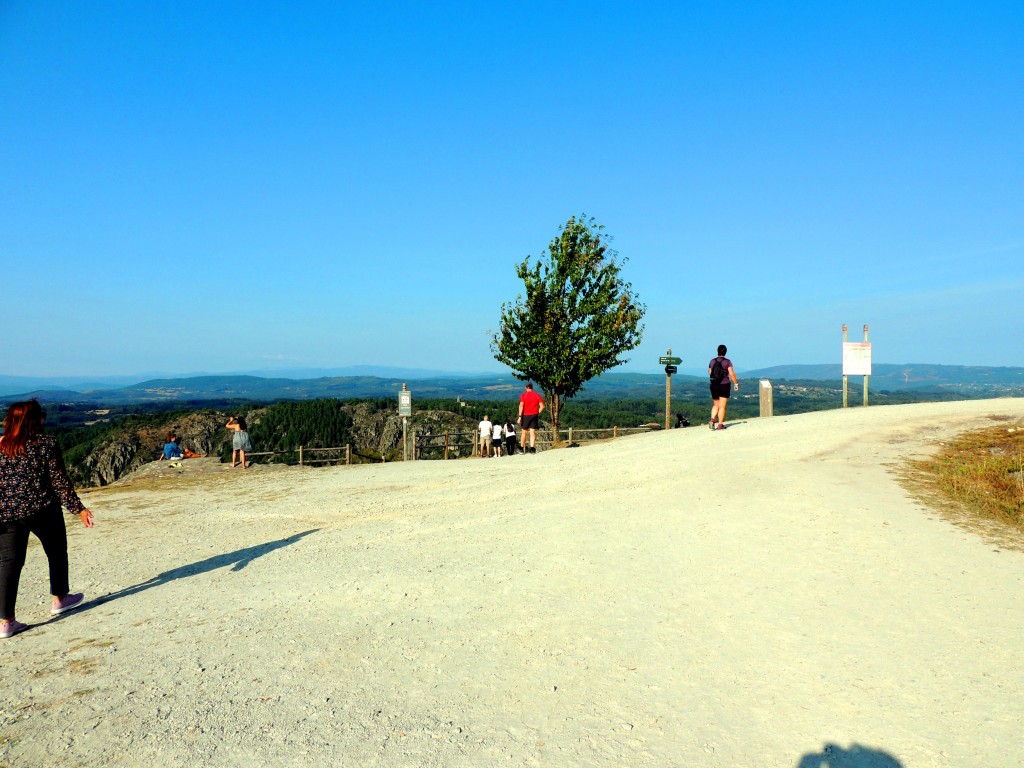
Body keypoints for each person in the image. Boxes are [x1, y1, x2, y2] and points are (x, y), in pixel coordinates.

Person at [0, 400, 94, 639]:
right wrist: (78, 508)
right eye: (40, 415)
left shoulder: (1, 445)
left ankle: (5, 622)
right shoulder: (46, 444)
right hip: (43, 508)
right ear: (33, 420)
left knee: (9, 564)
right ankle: (60, 599)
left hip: (7, 514)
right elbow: (59, 482)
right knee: (56, 550)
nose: (44, 418)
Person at [708, 344, 739, 430]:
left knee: (715, 404)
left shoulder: (712, 361)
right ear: (725, 352)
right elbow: (731, 373)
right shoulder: (727, 362)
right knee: (722, 406)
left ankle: (712, 419)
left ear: (717, 351)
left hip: (714, 385)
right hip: (724, 385)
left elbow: (710, 372)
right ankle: (720, 424)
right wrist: (736, 383)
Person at [518, 383, 545, 453]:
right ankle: (532, 448)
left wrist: (520, 416)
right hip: (534, 415)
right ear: (532, 388)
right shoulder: (537, 395)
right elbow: (542, 406)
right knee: (532, 432)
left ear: (526, 387)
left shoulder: (523, 395)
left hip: (526, 415)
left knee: (524, 432)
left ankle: (521, 448)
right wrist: (537, 413)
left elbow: (521, 406)